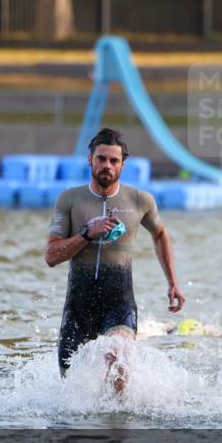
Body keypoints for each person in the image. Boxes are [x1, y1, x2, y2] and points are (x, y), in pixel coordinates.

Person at [45, 128, 185, 393]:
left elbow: (161, 234)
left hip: (119, 303)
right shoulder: (70, 200)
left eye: (113, 160)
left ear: (123, 164)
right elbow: (51, 257)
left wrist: (173, 283)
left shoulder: (140, 200)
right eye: (101, 159)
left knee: (117, 354)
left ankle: (117, 426)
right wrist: (86, 234)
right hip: (78, 306)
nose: (107, 165)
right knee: (70, 389)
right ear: (90, 159)